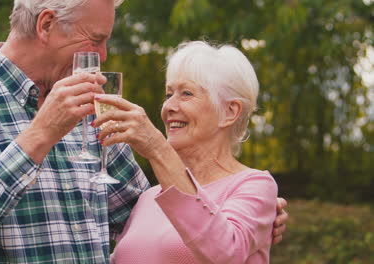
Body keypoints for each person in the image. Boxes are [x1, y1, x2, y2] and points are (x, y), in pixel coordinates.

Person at [0, 0, 287, 263]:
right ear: (45, 25)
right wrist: (39, 135)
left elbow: (146, 215)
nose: (103, 56)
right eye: (95, 39)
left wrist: (244, 214)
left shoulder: (92, 106)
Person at [93, 41, 281, 263]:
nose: (169, 107)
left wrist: (156, 148)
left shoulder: (254, 186)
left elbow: (225, 253)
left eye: (186, 94)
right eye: (168, 94)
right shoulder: (148, 198)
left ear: (230, 112)